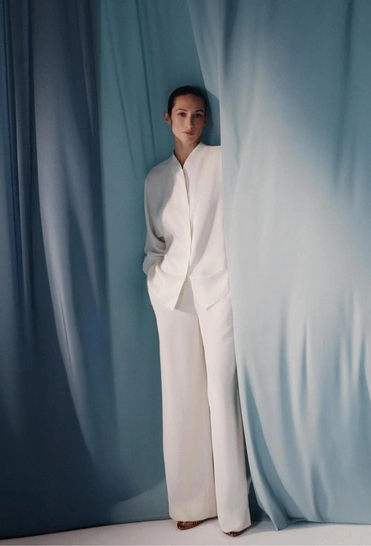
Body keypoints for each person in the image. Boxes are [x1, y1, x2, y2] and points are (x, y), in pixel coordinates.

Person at [142, 85, 250, 536]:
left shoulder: (223, 162)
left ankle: (233, 511)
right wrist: (157, 280)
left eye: (199, 115)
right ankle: (190, 502)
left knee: (221, 395)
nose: (191, 123)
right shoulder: (156, 180)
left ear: (206, 120)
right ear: (168, 118)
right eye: (183, 114)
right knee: (180, 397)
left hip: (218, 290)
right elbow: (154, 243)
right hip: (173, 297)